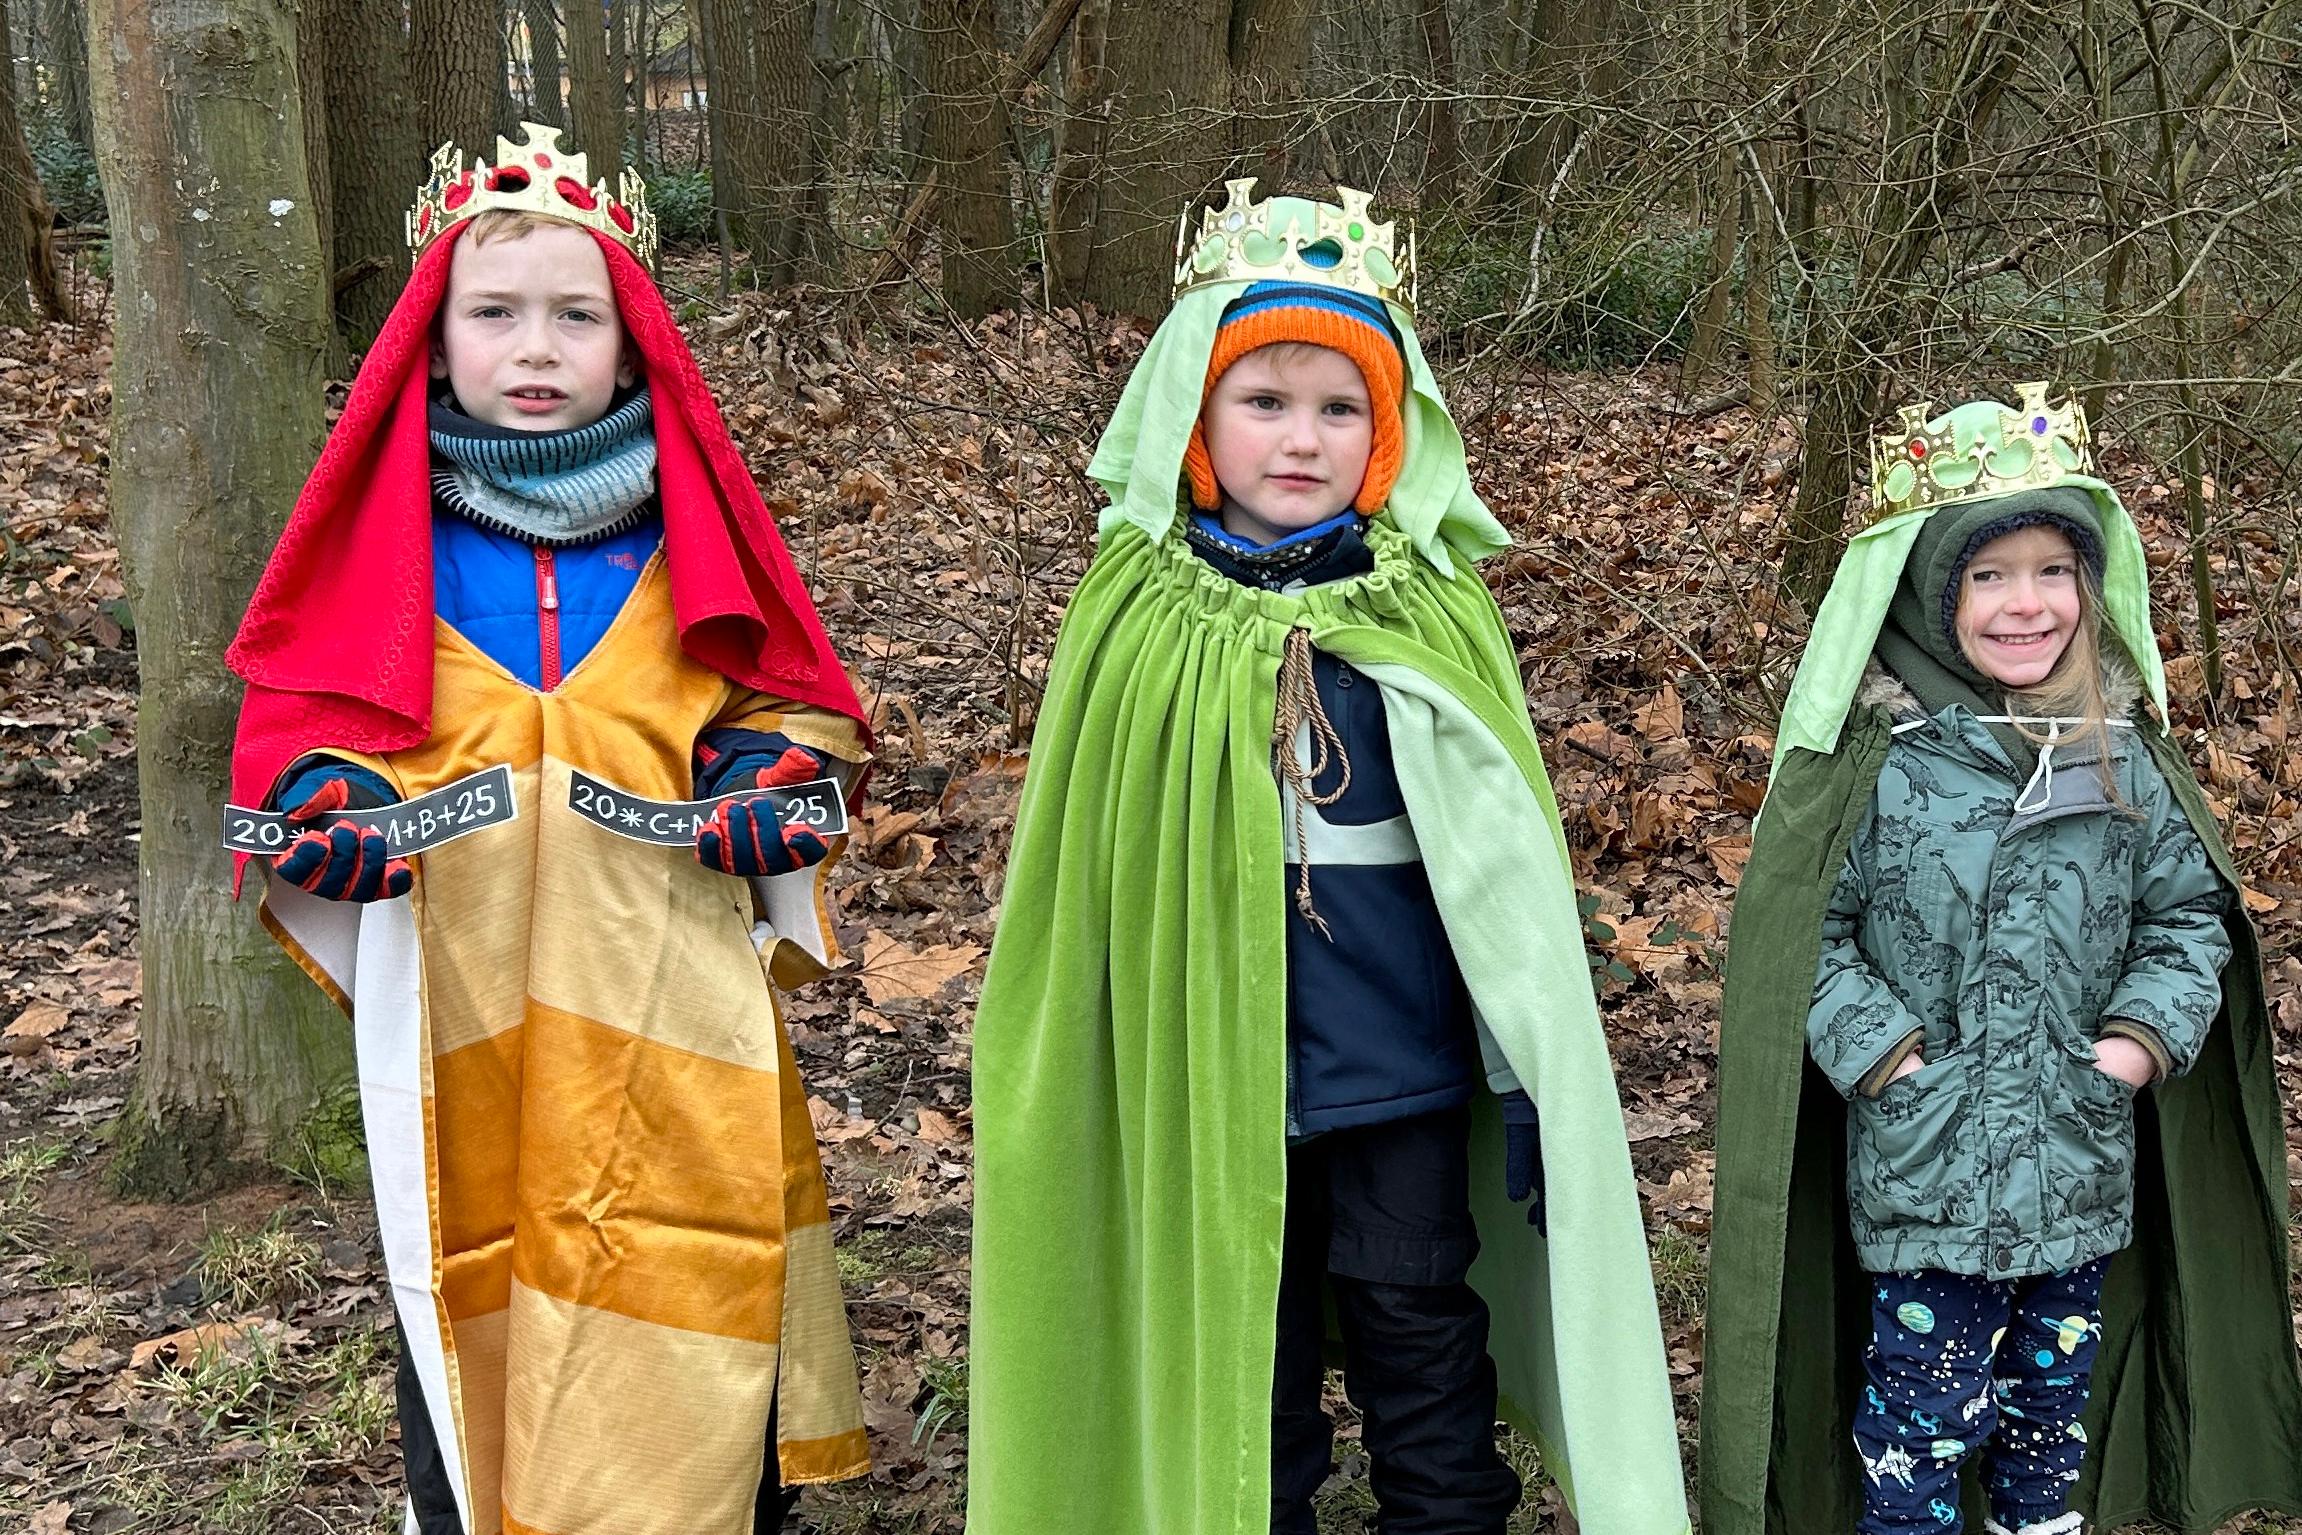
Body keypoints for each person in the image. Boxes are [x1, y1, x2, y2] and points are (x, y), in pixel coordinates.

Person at [966, 180, 1689, 1535]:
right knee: (1248, 1359)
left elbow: (1499, 881)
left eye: (1338, 406)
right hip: (1196, 1080)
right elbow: (1079, 889)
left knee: (1421, 1334)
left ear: (1387, 430)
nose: (1299, 437)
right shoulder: (1133, 612)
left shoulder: (1431, 607)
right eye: (1264, 399)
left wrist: (1523, 1068)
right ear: (1194, 414)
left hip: (1394, 1076)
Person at [226, 125, 873, 1535]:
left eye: (576, 315)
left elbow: (798, 707)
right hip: (456, 1019)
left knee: (696, 1290)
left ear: (630, 344)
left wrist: (774, 773)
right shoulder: (380, 549)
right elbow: (300, 732)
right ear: (434, 338)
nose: (536, 347)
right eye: (495, 312)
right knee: (470, 1293)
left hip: (673, 1010)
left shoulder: (693, 536)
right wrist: (321, 807)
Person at [1700, 388, 2302, 1534]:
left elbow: (2185, 918)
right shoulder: (1875, 764)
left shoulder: (2117, 750)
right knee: (1916, 1426)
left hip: (2077, 1166)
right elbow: (1801, 939)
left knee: (2046, 1422)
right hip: (1924, 1171)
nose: (2025, 603)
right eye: (1988, 575)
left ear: (2087, 585)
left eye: (2052, 570)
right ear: (1935, 592)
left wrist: (2132, 1045)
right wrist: (1888, 1060)